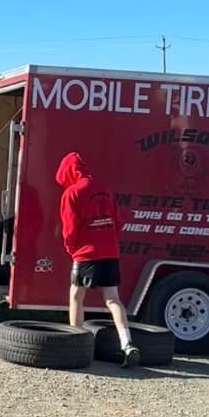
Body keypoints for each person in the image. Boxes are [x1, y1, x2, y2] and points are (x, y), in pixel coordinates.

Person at [55, 151, 140, 367]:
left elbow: (69, 228)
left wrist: (71, 249)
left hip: (85, 252)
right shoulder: (104, 188)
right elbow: (118, 220)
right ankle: (127, 343)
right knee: (113, 299)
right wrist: (109, 241)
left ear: (68, 172)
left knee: (76, 296)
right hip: (110, 251)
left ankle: (77, 346)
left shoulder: (72, 193)